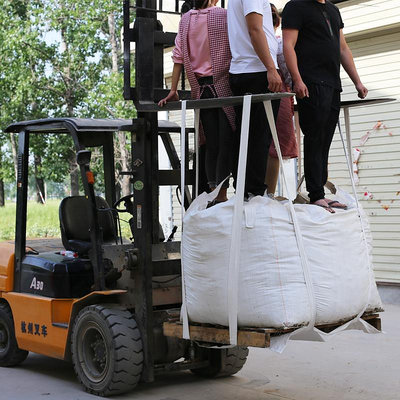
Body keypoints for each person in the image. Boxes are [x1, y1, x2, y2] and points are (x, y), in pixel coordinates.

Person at [282, 0, 368, 212]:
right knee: (315, 136)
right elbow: (288, 45)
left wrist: (357, 81)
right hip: (310, 82)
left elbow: (343, 48)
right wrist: (297, 79)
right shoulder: (296, 6)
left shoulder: (332, 10)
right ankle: (316, 194)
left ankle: (319, 190)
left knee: (326, 139)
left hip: (332, 83)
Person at [159, 0, 235, 205]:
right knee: (226, 140)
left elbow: (178, 57)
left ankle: (213, 190)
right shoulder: (223, 16)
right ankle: (221, 194)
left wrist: (173, 89)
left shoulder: (185, 20)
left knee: (211, 142)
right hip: (223, 85)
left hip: (200, 90)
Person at [228, 0, 282, 199]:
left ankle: (245, 190)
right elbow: (254, 29)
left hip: (243, 69)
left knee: (246, 135)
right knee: (259, 136)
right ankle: (254, 192)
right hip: (257, 69)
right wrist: (270, 68)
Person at [265, 4, 298, 195]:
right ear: (277, 22)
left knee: (265, 144)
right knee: (276, 146)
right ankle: (269, 192)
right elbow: (288, 75)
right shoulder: (279, 43)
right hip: (280, 93)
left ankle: (261, 192)